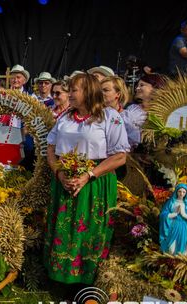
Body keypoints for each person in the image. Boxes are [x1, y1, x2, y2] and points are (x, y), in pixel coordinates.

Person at [44, 73, 129, 290]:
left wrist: (89, 175)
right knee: (64, 227)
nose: (69, 94)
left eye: (74, 90)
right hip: (65, 180)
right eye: (69, 90)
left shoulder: (109, 117)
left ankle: (86, 281)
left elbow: (120, 156)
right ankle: (60, 276)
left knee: (90, 229)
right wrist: (59, 173)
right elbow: (51, 149)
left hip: (94, 182)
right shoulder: (65, 117)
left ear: (89, 92)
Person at [121, 73, 166, 147]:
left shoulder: (163, 112)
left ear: (155, 88)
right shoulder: (132, 108)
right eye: (137, 86)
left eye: (141, 85)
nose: (137, 88)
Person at [159, 183, 187, 256]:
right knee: (171, 249)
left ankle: (182, 257)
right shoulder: (171, 202)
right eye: (179, 191)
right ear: (176, 192)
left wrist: (184, 215)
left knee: (183, 247)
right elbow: (163, 214)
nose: (181, 194)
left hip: (185, 226)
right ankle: (171, 257)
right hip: (173, 225)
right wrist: (173, 214)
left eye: (184, 192)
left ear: (186, 193)